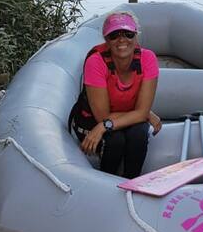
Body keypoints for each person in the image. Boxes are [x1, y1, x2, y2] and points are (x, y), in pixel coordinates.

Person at [69, 11, 162, 178]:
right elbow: (102, 116)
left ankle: (132, 183)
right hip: (92, 121)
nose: (122, 40)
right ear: (106, 40)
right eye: (114, 35)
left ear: (136, 36)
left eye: (128, 34)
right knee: (115, 140)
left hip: (113, 121)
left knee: (139, 133)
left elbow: (136, 115)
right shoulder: (95, 62)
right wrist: (144, 113)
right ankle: (107, 186)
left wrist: (142, 114)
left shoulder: (147, 59)